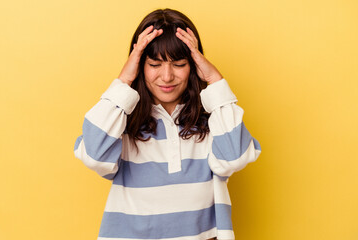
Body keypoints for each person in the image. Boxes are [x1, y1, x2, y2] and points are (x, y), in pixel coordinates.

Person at [74, 8, 261, 240]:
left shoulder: (214, 120)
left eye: (179, 64)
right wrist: (124, 81)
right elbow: (94, 156)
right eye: (154, 64)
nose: (166, 76)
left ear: (194, 64)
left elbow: (235, 158)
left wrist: (215, 81)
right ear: (140, 66)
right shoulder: (121, 122)